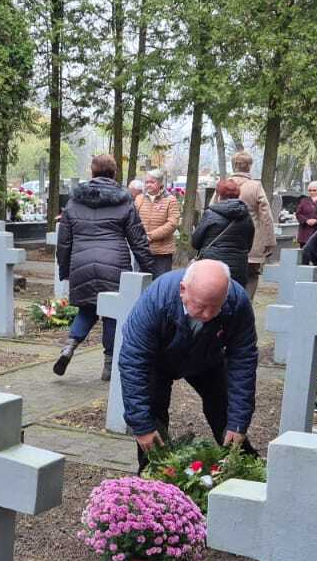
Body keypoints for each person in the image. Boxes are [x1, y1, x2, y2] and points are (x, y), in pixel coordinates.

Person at [117, 259, 258, 471]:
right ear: (183, 290)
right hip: (158, 360)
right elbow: (133, 361)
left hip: (206, 357)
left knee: (224, 408)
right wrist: (141, 426)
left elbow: (243, 360)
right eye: (201, 306)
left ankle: (244, 468)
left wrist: (239, 423)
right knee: (152, 417)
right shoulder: (157, 299)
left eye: (215, 307)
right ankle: (153, 475)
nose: (207, 315)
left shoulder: (237, 301)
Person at [54, 154, 157, 381]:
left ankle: (69, 346)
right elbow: (138, 240)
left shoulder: (74, 202)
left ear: (92, 173)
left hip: (81, 263)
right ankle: (109, 366)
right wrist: (151, 271)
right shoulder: (124, 200)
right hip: (114, 265)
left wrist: (65, 269)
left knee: (86, 310)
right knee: (112, 315)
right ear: (114, 173)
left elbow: (64, 242)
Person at [228, 151, 277, 297]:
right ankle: (246, 304)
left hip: (227, 240)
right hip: (251, 240)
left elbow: (212, 209)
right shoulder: (255, 186)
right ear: (249, 166)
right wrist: (269, 241)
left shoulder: (224, 184)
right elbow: (266, 215)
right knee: (251, 276)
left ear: (234, 165)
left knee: (228, 275)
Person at [193, 180, 255, 281]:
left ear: (219, 195)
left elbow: (195, 242)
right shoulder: (246, 217)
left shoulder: (210, 214)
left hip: (212, 267)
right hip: (238, 268)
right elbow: (248, 245)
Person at [135, 171, 181, 275]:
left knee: (160, 282)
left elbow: (172, 224)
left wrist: (150, 236)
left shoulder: (170, 200)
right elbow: (134, 220)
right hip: (142, 250)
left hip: (162, 252)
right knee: (141, 282)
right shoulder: (139, 199)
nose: (148, 185)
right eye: (147, 182)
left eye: (152, 182)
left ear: (160, 183)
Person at [295, 181, 317, 246]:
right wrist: (306, 220)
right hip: (305, 233)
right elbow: (298, 214)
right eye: (310, 190)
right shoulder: (304, 201)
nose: (312, 192)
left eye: (314, 190)